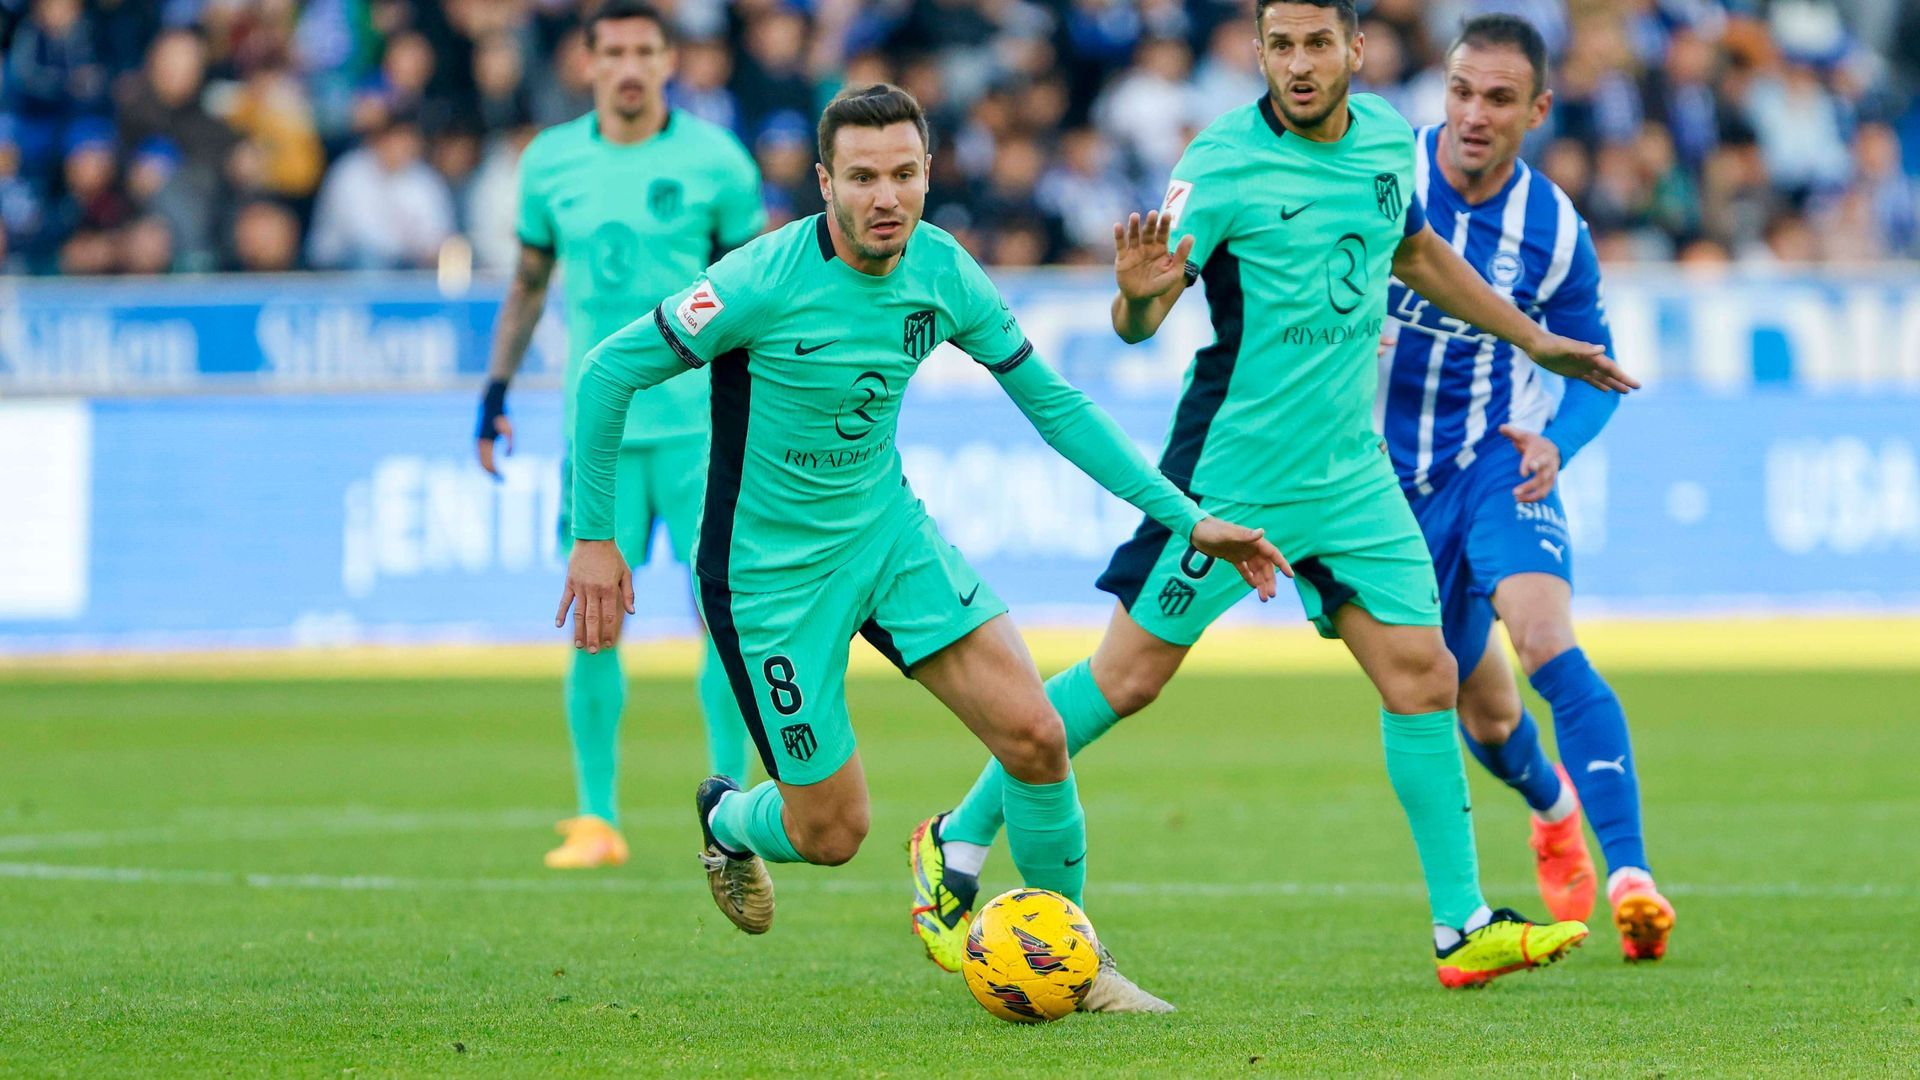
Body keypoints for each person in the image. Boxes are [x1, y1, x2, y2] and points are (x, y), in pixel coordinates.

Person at [911, 0, 1638, 997]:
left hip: (1350, 477)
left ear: (1355, 49)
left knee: (1423, 674)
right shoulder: (1219, 164)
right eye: (1279, 46)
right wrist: (1132, 296)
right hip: (1232, 477)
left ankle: (1460, 924)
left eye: (1315, 44)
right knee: (1126, 680)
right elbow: (1146, 313)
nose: (1298, 64)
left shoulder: (1387, 140)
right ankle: (956, 835)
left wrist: (1533, 338)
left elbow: (1416, 254)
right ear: (1259, 54)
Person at [556, 84, 1286, 1013]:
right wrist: (593, 538)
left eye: (903, 174)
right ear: (824, 183)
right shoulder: (758, 280)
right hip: (768, 581)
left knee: (1036, 737)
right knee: (831, 831)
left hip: (887, 538)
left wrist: (1189, 517)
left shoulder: (942, 270)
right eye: (861, 177)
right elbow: (608, 369)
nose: (885, 197)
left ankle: (1073, 963)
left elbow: (1056, 408)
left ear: (930, 174)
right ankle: (730, 818)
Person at [1378, 14, 1673, 961]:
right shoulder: (1379, 173)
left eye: (1499, 98)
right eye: (1462, 91)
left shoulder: (1552, 228)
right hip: (1380, 492)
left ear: (1537, 110)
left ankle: (1631, 873)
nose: (1473, 113)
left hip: (1498, 457)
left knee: (1547, 639)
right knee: (1484, 710)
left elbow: (1602, 367)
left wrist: (1555, 444)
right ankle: (1551, 803)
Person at [474, 0, 764, 870]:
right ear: (588, 63)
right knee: (594, 624)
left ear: (670, 60)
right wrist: (492, 389)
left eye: (646, 50)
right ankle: (597, 820)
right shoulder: (550, 163)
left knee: (724, 621)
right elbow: (527, 285)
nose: (630, 67)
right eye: (614, 53)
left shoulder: (719, 163)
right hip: (598, 436)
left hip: (703, 435)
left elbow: (754, 297)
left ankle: (731, 807)